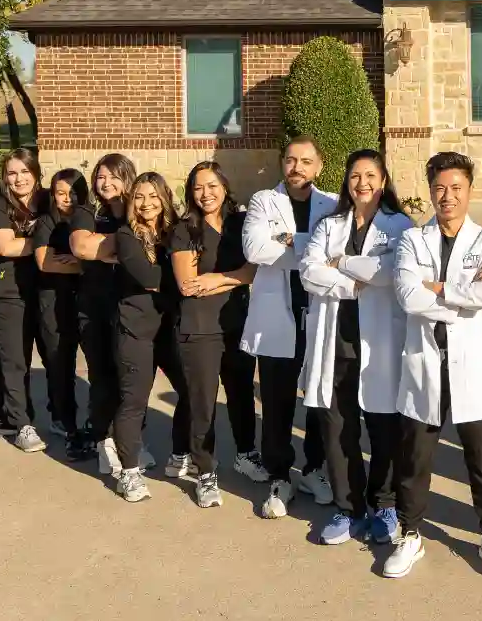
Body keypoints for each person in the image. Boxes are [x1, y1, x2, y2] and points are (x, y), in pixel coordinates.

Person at [384, 151, 482, 580]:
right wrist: (460, 294)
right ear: (430, 191)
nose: (447, 196)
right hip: (425, 365)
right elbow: (407, 296)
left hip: (471, 368)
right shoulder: (411, 239)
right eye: (439, 188)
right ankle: (410, 534)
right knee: (415, 460)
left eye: (456, 187)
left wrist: (437, 288)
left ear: (469, 190)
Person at [299, 150, 413, 546]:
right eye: (354, 176)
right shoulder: (329, 224)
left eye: (370, 176)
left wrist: (341, 262)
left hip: (379, 342)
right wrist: (352, 284)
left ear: (383, 181)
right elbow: (308, 271)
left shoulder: (400, 226)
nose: (362, 183)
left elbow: (391, 272)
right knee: (337, 428)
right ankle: (349, 509)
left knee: (384, 427)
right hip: (335, 341)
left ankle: (385, 504)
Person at [242, 136, 336, 516]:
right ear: (283, 163)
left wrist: (287, 240)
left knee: (317, 399)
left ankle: (314, 469)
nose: (297, 168)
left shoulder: (333, 204)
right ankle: (280, 475)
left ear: (319, 166)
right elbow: (255, 249)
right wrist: (312, 250)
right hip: (277, 316)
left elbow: (338, 252)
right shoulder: (263, 200)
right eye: (291, 160)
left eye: (306, 161)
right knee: (277, 401)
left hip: (319, 315)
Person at [169, 162, 256, 510]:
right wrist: (236, 276)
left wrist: (217, 279)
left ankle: (246, 454)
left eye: (212, 186)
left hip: (237, 324)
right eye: (198, 187)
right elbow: (188, 285)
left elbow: (255, 270)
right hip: (199, 328)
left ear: (224, 187)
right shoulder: (184, 229)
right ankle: (205, 471)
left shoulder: (241, 223)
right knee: (202, 404)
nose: (206, 194)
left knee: (241, 395)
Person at [111, 171, 181, 502]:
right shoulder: (125, 235)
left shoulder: (174, 232)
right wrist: (184, 275)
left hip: (170, 328)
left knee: (192, 391)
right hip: (135, 328)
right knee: (134, 401)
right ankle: (128, 472)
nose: (146, 203)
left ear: (164, 198)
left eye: (153, 196)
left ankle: (181, 454)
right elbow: (148, 277)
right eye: (139, 196)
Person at [69, 154, 141, 470]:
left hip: (132, 308)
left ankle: (130, 441)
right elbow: (81, 247)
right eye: (101, 176)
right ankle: (103, 441)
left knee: (130, 379)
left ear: (128, 178)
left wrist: (105, 248)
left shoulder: (139, 210)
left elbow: (155, 241)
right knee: (101, 377)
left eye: (114, 176)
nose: (106, 182)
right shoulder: (88, 212)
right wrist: (128, 244)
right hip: (94, 308)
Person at [0, 149, 47, 453]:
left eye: (24, 171)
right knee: (15, 360)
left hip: (45, 290)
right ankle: (22, 424)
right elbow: (6, 246)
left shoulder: (47, 201)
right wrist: (47, 243)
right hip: (8, 292)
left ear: (36, 173)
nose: (19, 179)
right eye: (11, 173)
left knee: (50, 357)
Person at [31, 169, 87, 440]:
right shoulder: (47, 222)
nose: (67, 198)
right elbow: (45, 262)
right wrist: (84, 264)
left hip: (86, 299)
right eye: (60, 193)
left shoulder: (89, 219)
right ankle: (62, 418)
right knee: (60, 363)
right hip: (54, 299)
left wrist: (78, 261)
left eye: (73, 192)